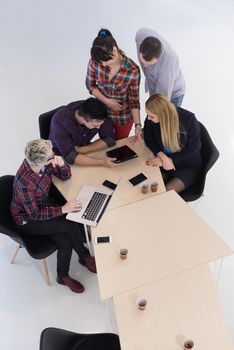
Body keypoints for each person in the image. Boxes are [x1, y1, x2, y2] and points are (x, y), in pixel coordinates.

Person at [10, 139, 97, 293]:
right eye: (51, 157)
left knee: (65, 240)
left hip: (44, 206)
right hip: (28, 220)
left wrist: (62, 164)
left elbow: (65, 176)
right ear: (39, 162)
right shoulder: (24, 183)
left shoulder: (45, 164)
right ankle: (83, 257)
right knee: (69, 224)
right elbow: (34, 214)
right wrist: (63, 209)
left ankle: (63, 275)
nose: (54, 157)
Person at [86, 28, 141, 140]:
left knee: (118, 146)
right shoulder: (94, 62)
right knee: (105, 143)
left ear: (114, 51)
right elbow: (90, 85)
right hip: (102, 115)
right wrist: (107, 101)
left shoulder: (132, 70)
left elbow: (134, 101)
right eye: (101, 62)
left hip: (123, 118)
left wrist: (138, 125)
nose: (104, 64)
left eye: (106, 61)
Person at [144, 94, 201, 193]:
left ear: (162, 114)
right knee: (151, 186)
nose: (148, 118)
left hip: (186, 165)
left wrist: (171, 160)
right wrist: (163, 157)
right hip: (165, 162)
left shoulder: (188, 119)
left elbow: (193, 149)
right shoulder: (151, 118)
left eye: (151, 116)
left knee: (167, 192)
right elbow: (149, 139)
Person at [49, 97, 118, 167]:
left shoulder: (98, 111)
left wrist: (83, 150)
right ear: (82, 119)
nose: (99, 127)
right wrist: (102, 162)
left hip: (82, 149)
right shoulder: (60, 121)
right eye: (95, 125)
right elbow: (70, 157)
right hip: (59, 156)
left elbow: (110, 140)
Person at [135, 28, 185, 107]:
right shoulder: (141, 36)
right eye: (142, 61)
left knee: (165, 118)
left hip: (173, 94)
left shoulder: (169, 62)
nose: (145, 66)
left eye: (149, 64)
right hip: (154, 85)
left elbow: (161, 100)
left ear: (158, 58)